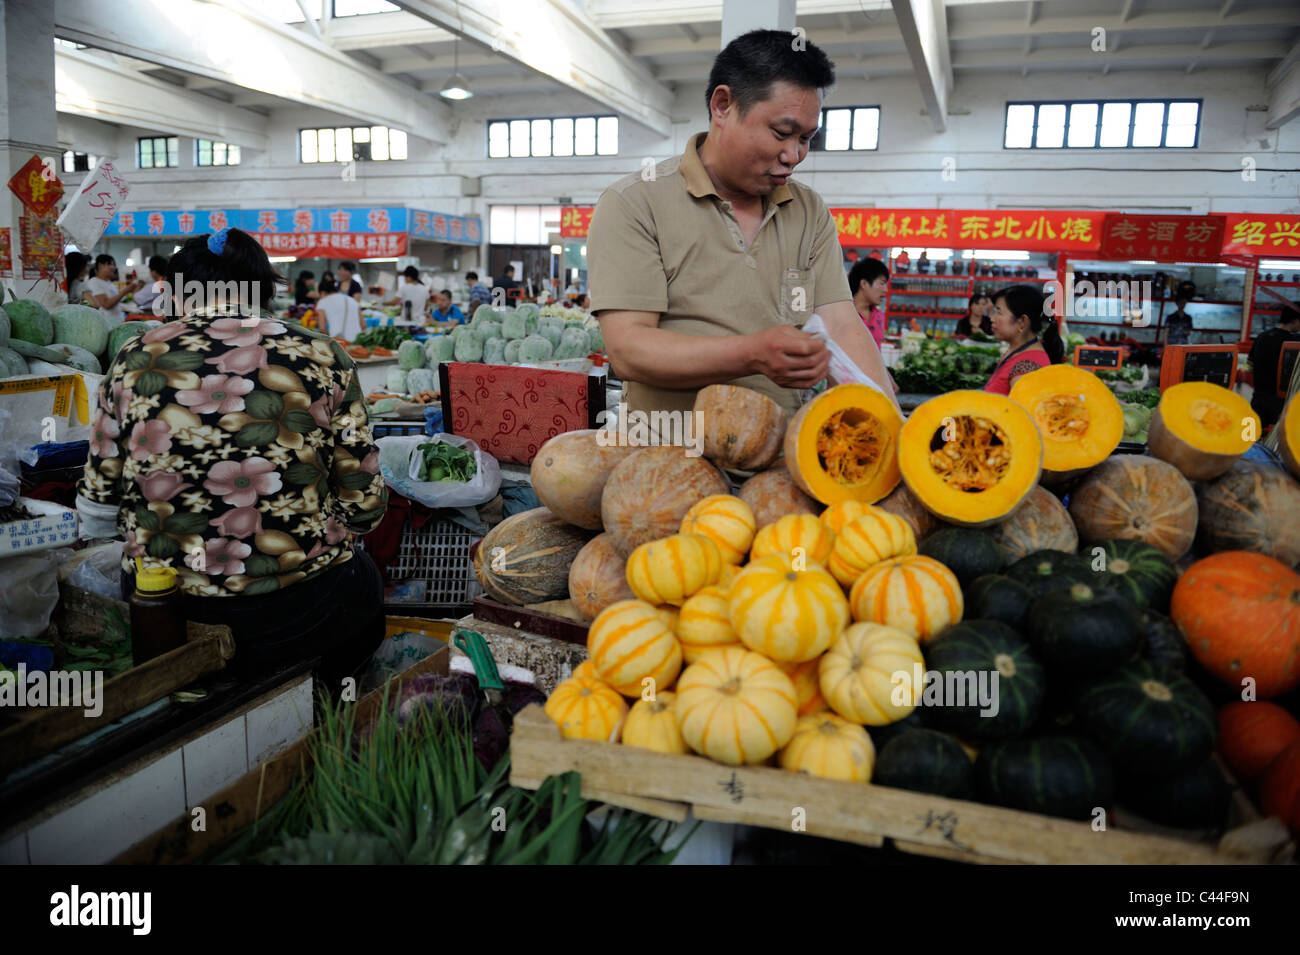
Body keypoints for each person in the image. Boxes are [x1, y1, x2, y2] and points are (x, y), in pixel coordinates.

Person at [75, 227, 388, 687]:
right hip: (299, 604)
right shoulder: (322, 355)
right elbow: (364, 503)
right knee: (362, 585)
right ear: (261, 291)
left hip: (166, 605)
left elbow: (98, 506)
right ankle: (331, 710)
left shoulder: (134, 358)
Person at [586, 30, 895, 427]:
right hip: (666, 461)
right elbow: (629, 349)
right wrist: (751, 354)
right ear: (722, 105)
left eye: (807, 139)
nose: (794, 155)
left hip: (781, 462)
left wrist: (888, 424)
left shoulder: (808, 211)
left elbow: (840, 324)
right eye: (782, 133)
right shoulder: (635, 202)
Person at [983, 284, 1065, 395]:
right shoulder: (1017, 352)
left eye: (999, 312)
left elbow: (1022, 411)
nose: (992, 318)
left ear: (1022, 321)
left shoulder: (1027, 368)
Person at [1248, 302, 1300, 428]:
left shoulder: (1262, 336)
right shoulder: (1294, 342)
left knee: (1251, 438)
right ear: (1294, 321)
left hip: (1258, 397)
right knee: (1278, 441)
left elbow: (1250, 364)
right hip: (1281, 400)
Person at [85, 253, 144, 327]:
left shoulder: (110, 284)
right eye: (111, 264)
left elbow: (116, 302)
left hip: (118, 321)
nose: (114, 268)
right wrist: (125, 291)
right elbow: (106, 304)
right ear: (101, 265)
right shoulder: (94, 282)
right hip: (107, 324)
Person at [848, 257, 889, 347]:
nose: (885, 290)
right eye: (882, 283)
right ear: (864, 284)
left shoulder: (879, 316)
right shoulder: (844, 315)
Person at [315, 276, 363, 341]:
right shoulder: (352, 300)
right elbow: (363, 325)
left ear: (323, 293)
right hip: (358, 342)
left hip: (339, 343)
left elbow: (322, 328)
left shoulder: (322, 302)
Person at [1163, 282, 1196, 346]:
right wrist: (1165, 347)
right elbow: (1165, 333)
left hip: (1183, 345)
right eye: (1180, 303)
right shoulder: (1170, 317)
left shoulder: (1188, 318)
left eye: (1184, 303)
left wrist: (1187, 332)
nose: (1182, 305)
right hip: (1172, 344)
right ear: (1177, 303)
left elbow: (1189, 331)